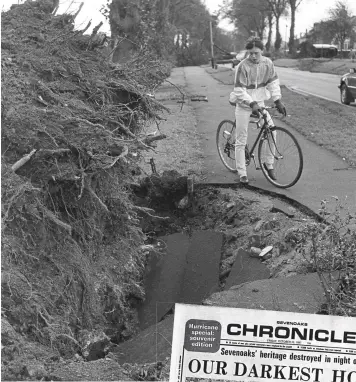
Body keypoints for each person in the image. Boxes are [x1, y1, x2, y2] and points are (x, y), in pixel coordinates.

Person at [229, 37, 287, 184]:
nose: (253, 56)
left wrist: (277, 100)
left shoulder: (268, 63)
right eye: (250, 53)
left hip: (259, 103)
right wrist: (251, 103)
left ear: (262, 51)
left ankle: (269, 164)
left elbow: (273, 83)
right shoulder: (242, 66)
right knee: (242, 138)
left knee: (272, 131)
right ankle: (242, 172)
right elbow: (239, 90)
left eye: (256, 53)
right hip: (244, 104)